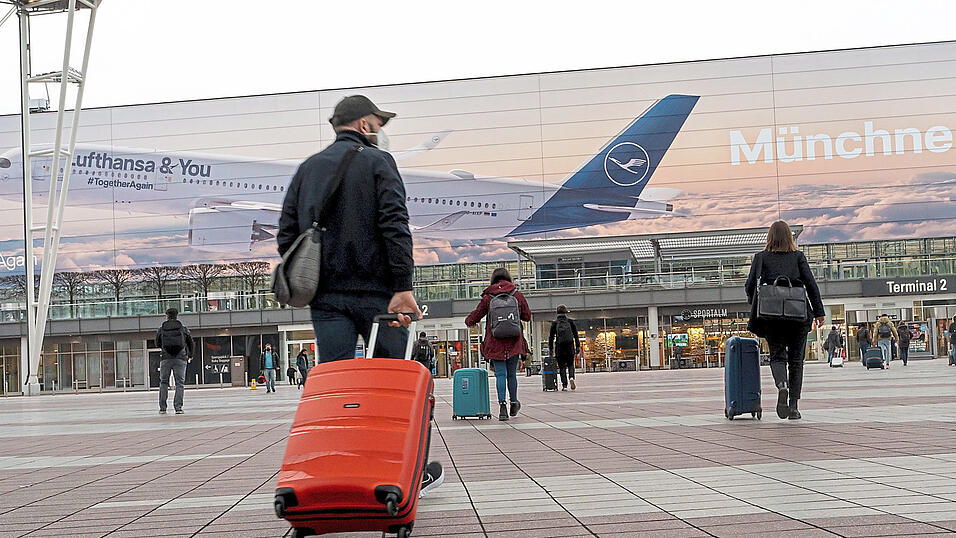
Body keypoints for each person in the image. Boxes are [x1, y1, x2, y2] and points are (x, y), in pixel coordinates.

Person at [276, 95, 442, 498]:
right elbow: (395, 225)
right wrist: (403, 287)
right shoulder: (379, 163)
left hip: (327, 298)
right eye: (379, 125)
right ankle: (399, 472)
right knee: (389, 388)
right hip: (380, 297)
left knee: (337, 386)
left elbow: (286, 235)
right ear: (366, 125)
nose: (381, 132)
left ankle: (339, 471)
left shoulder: (308, 168)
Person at [745, 221, 825, 421]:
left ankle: (782, 385)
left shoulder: (761, 258)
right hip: (798, 315)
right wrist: (819, 312)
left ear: (770, 237)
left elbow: (749, 286)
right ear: (790, 237)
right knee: (796, 361)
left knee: (777, 356)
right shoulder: (798, 257)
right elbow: (811, 285)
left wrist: (757, 303)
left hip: (771, 317)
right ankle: (794, 407)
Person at [465, 268, 531, 421]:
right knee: (511, 375)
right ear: (509, 278)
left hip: (495, 341)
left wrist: (468, 322)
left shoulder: (488, 297)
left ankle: (502, 407)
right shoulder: (517, 294)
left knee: (500, 374)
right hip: (514, 341)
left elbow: (475, 316)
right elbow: (527, 316)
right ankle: (514, 402)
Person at [155, 308, 194, 415]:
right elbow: (190, 342)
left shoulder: (161, 329)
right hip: (180, 358)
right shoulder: (183, 329)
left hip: (165, 358)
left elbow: (157, 343)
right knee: (179, 383)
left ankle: (163, 408)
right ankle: (178, 408)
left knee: (163, 382)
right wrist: (190, 355)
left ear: (167, 316)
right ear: (177, 316)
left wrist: (165, 348)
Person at [548, 305, 581, 391]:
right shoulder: (570, 322)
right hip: (570, 346)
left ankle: (564, 385)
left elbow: (551, 337)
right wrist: (577, 346)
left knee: (562, 367)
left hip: (559, 347)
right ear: (566, 312)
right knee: (570, 364)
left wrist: (551, 349)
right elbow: (576, 335)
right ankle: (571, 377)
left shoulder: (554, 323)